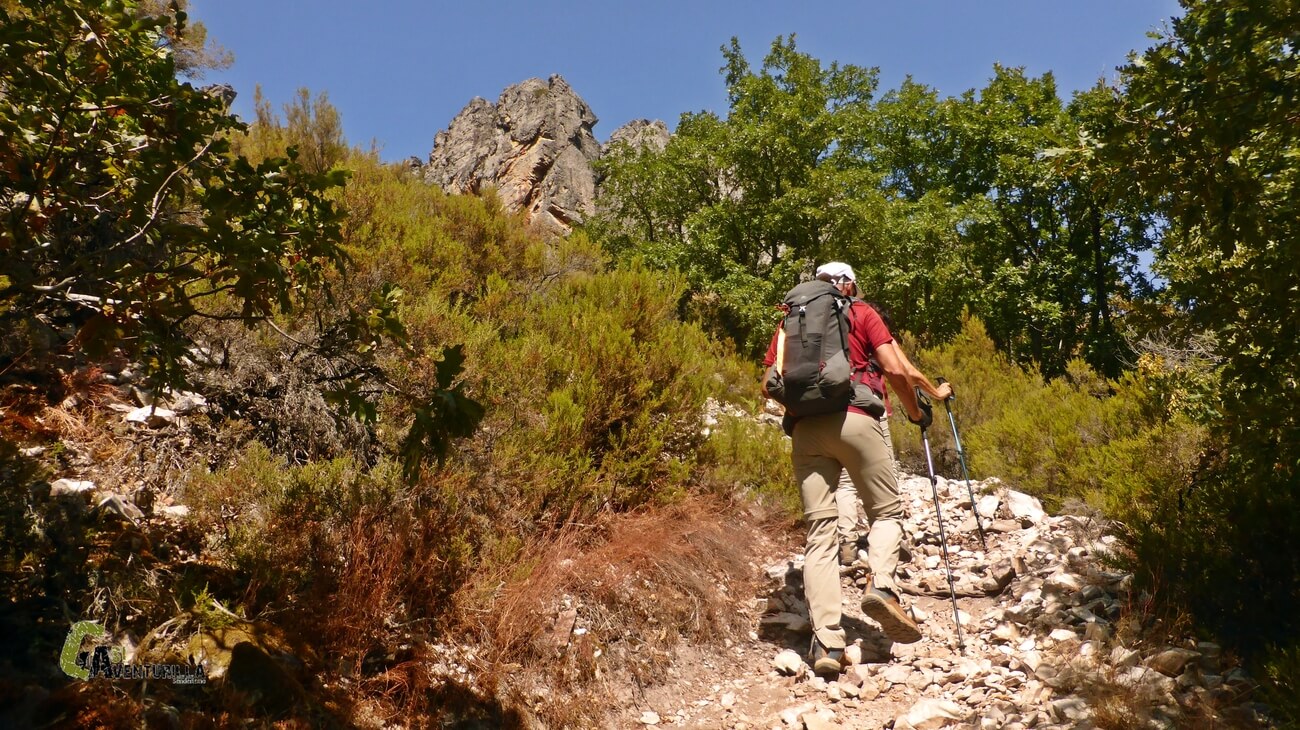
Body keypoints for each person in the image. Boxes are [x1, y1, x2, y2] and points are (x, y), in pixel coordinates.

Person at [762, 262, 952, 678]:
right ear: (847, 285)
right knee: (886, 513)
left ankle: (827, 641)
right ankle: (881, 585)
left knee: (820, 533)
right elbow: (895, 369)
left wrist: (806, 409)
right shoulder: (861, 312)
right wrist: (915, 412)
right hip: (857, 420)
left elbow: (768, 384)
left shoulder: (789, 323)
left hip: (806, 432)